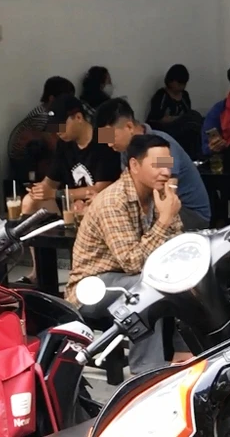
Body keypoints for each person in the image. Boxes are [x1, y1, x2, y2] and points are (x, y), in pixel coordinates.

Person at [65, 134, 183, 374]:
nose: (165, 172)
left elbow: (178, 246)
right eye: (157, 165)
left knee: (189, 276)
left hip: (129, 279)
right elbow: (132, 262)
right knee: (148, 286)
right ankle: (146, 372)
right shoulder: (113, 200)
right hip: (91, 289)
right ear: (134, 165)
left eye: (167, 165)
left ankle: (185, 352)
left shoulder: (161, 194)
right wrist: (165, 219)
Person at [96, 98, 211, 229]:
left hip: (189, 212)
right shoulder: (125, 151)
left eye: (111, 137)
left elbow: (168, 189)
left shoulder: (161, 146)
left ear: (129, 127)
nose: (109, 144)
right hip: (155, 206)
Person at [22, 95, 121, 215]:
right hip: (70, 204)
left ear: (78, 117)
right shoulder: (63, 143)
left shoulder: (104, 136)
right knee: (29, 200)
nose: (57, 131)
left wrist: (56, 193)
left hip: (100, 202)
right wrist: (39, 190)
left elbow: (101, 188)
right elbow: (50, 182)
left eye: (61, 125)